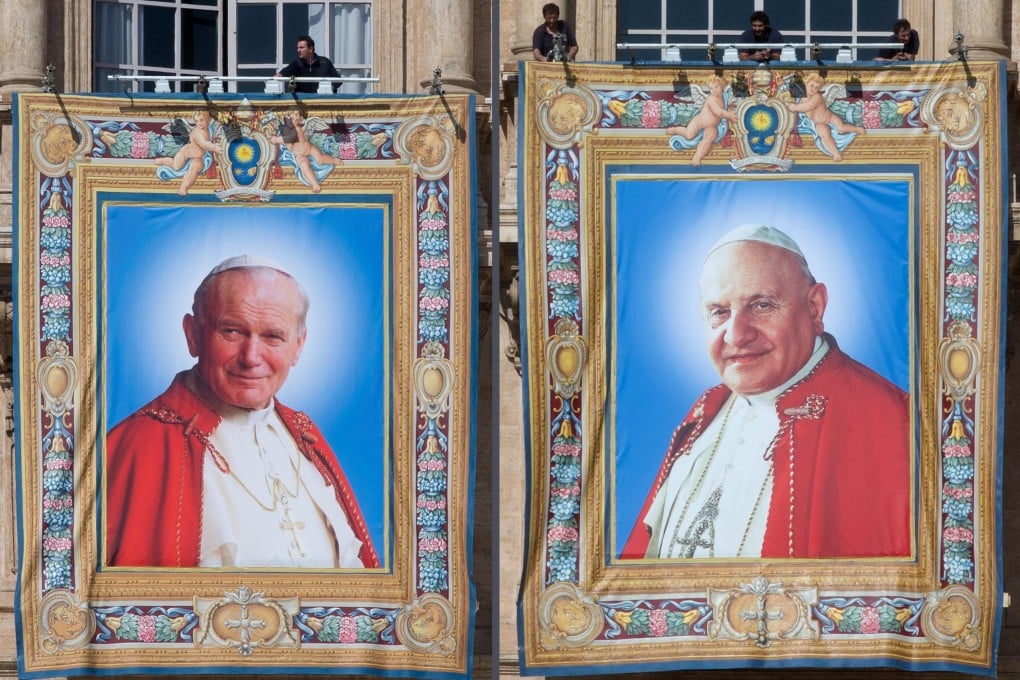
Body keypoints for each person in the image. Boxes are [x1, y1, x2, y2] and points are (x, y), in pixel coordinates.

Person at [621, 225, 910, 560]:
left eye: (761, 305)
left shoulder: (890, 421)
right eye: (719, 312)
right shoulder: (707, 408)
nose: (736, 335)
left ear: (814, 308)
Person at [106, 255, 379, 569]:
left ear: (299, 346)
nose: (251, 357)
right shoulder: (137, 445)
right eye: (232, 331)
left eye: (273, 336)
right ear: (192, 334)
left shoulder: (305, 435)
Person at [787, 74, 866, 161]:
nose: (813, 89)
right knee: (824, 136)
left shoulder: (817, 97)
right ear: (805, 84)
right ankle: (835, 153)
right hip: (819, 123)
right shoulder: (800, 99)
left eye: (816, 88)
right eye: (811, 86)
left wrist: (795, 107)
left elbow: (809, 106)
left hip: (830, 117)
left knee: (841, 128)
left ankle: (857, 129)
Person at [664, 76, 737, 166]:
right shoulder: (711, 99)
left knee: (709, 137)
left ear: (722, 85)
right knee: (689, 135)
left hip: (712, 126)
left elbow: (727, 105)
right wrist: (729, 115)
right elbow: (719, 112)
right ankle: (674, 130)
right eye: (711, 88)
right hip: (698, 122)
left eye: (716, 87)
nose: (714, 90)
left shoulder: (724, 97)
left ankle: (697, 157)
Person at [153, 109, 219, 196]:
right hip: (185, 153)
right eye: (196, 121)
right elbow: (204, 144)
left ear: (207, 119)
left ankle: (183, 188)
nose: (199, 123)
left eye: (201, 120)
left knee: (195, 168)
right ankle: (162, 161)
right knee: (176, 166)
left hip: (199, 157)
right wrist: (215, 147)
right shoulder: (197, 133)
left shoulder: (210, 129)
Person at [276, 35, 342, 93]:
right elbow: (283, 74)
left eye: (301, 47)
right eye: (298, 48)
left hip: (321, 103)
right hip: (301, 104)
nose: (298, 50)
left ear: (310, 49)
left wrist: (329, 89)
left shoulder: (324, 62)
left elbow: (338, 81)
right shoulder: (296, 63)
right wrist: (291, 86)